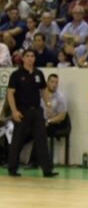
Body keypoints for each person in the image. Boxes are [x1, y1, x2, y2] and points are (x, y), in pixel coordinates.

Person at [6, 49, 55, 178]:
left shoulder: (39, 73)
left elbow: (44, 90)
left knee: (41, 140)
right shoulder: (16, 75)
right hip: (22, 111)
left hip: (37, 111)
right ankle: (12, 168)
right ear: (22, 58)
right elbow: (10, 93)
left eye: (32, 56)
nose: (30, 58)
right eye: (27, 56)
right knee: (17, 141)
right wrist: (14, 111)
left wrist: (48, 104)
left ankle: (47, 170)